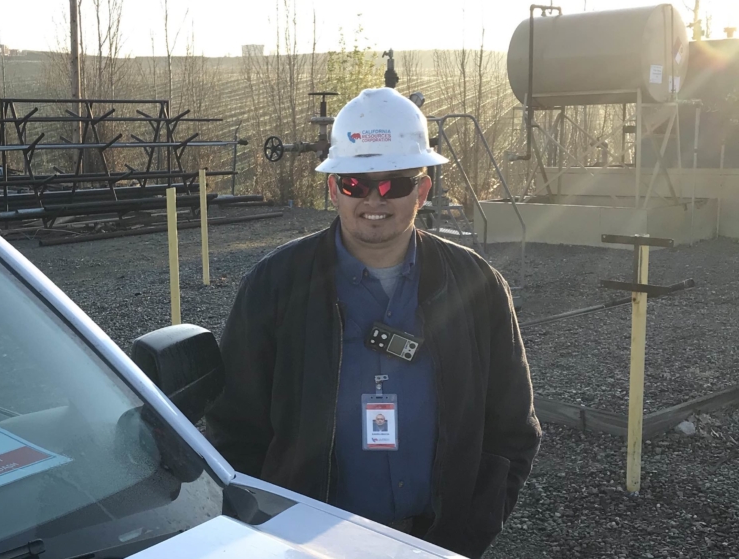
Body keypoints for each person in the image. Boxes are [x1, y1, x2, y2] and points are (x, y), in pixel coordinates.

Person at [204, 88, 541, 559]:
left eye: (394, 185)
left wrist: (470, 531)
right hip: (307, 545)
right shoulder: (275, 286)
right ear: (332, 188)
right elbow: (234, 427)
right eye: (355, 184)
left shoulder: (477, 287)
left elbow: (512, 427)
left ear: (422, 191)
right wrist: (272, 529)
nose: (373, 199)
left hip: (437, 542)